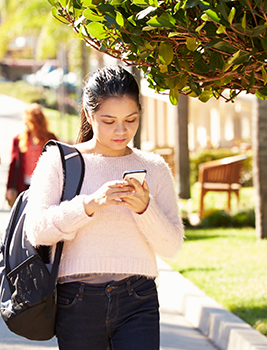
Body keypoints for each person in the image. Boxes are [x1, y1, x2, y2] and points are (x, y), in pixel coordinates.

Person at [24, 66, 184, 349]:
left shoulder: (154, 168)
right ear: (88, 115)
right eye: (109, 121)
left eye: (130, 119)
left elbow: (171, 246)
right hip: (76, 300)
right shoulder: (59, 161)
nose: (121, 131)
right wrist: (88, 205)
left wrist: (146, 209)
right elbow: (37, 231)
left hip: (139, 298)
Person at [5, 103, 57, 206]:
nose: (24, 122)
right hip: (23, 184)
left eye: (28, 120)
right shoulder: (19, 139)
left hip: (44, 184)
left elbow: (58, 162)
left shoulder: (50, 138)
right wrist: (9, 187)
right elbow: (13, 164)